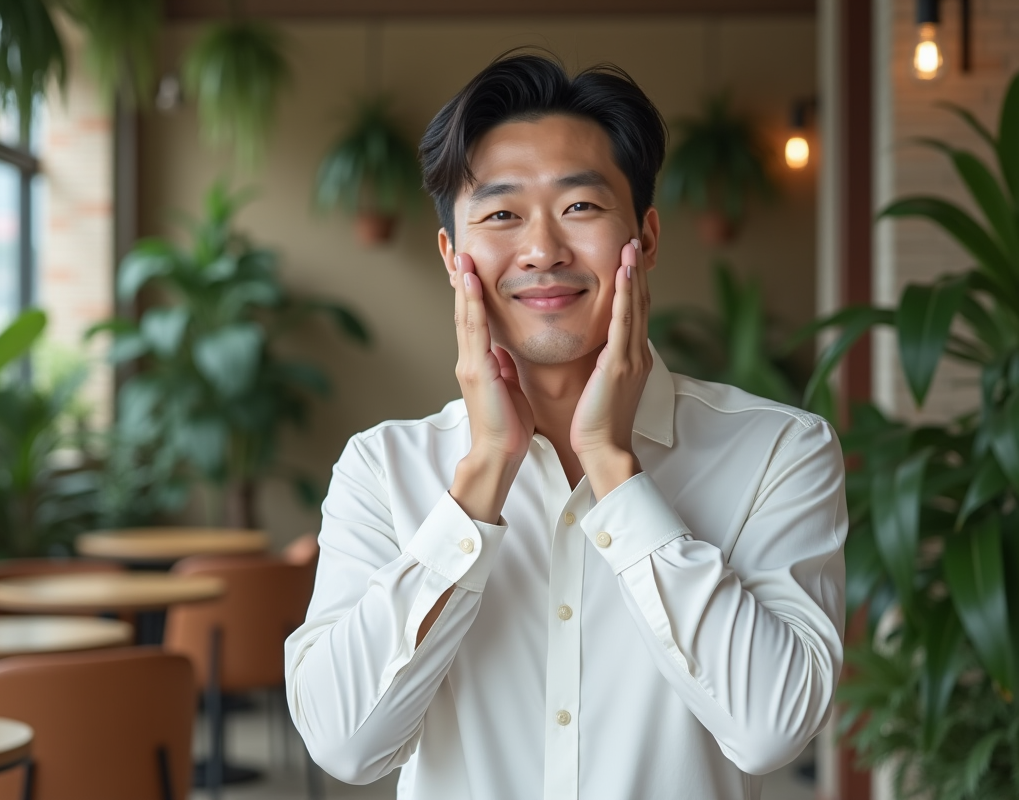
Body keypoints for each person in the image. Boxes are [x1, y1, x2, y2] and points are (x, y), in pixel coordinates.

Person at [285, 52, 846, 800]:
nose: (543, 249)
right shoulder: (383, 469)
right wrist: (483, 473)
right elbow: (344, 747)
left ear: (643, 238)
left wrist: (613, 468)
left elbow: (772, 729)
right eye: (501, 214)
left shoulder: (780, 451)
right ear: (455, 258)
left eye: (579, 207)